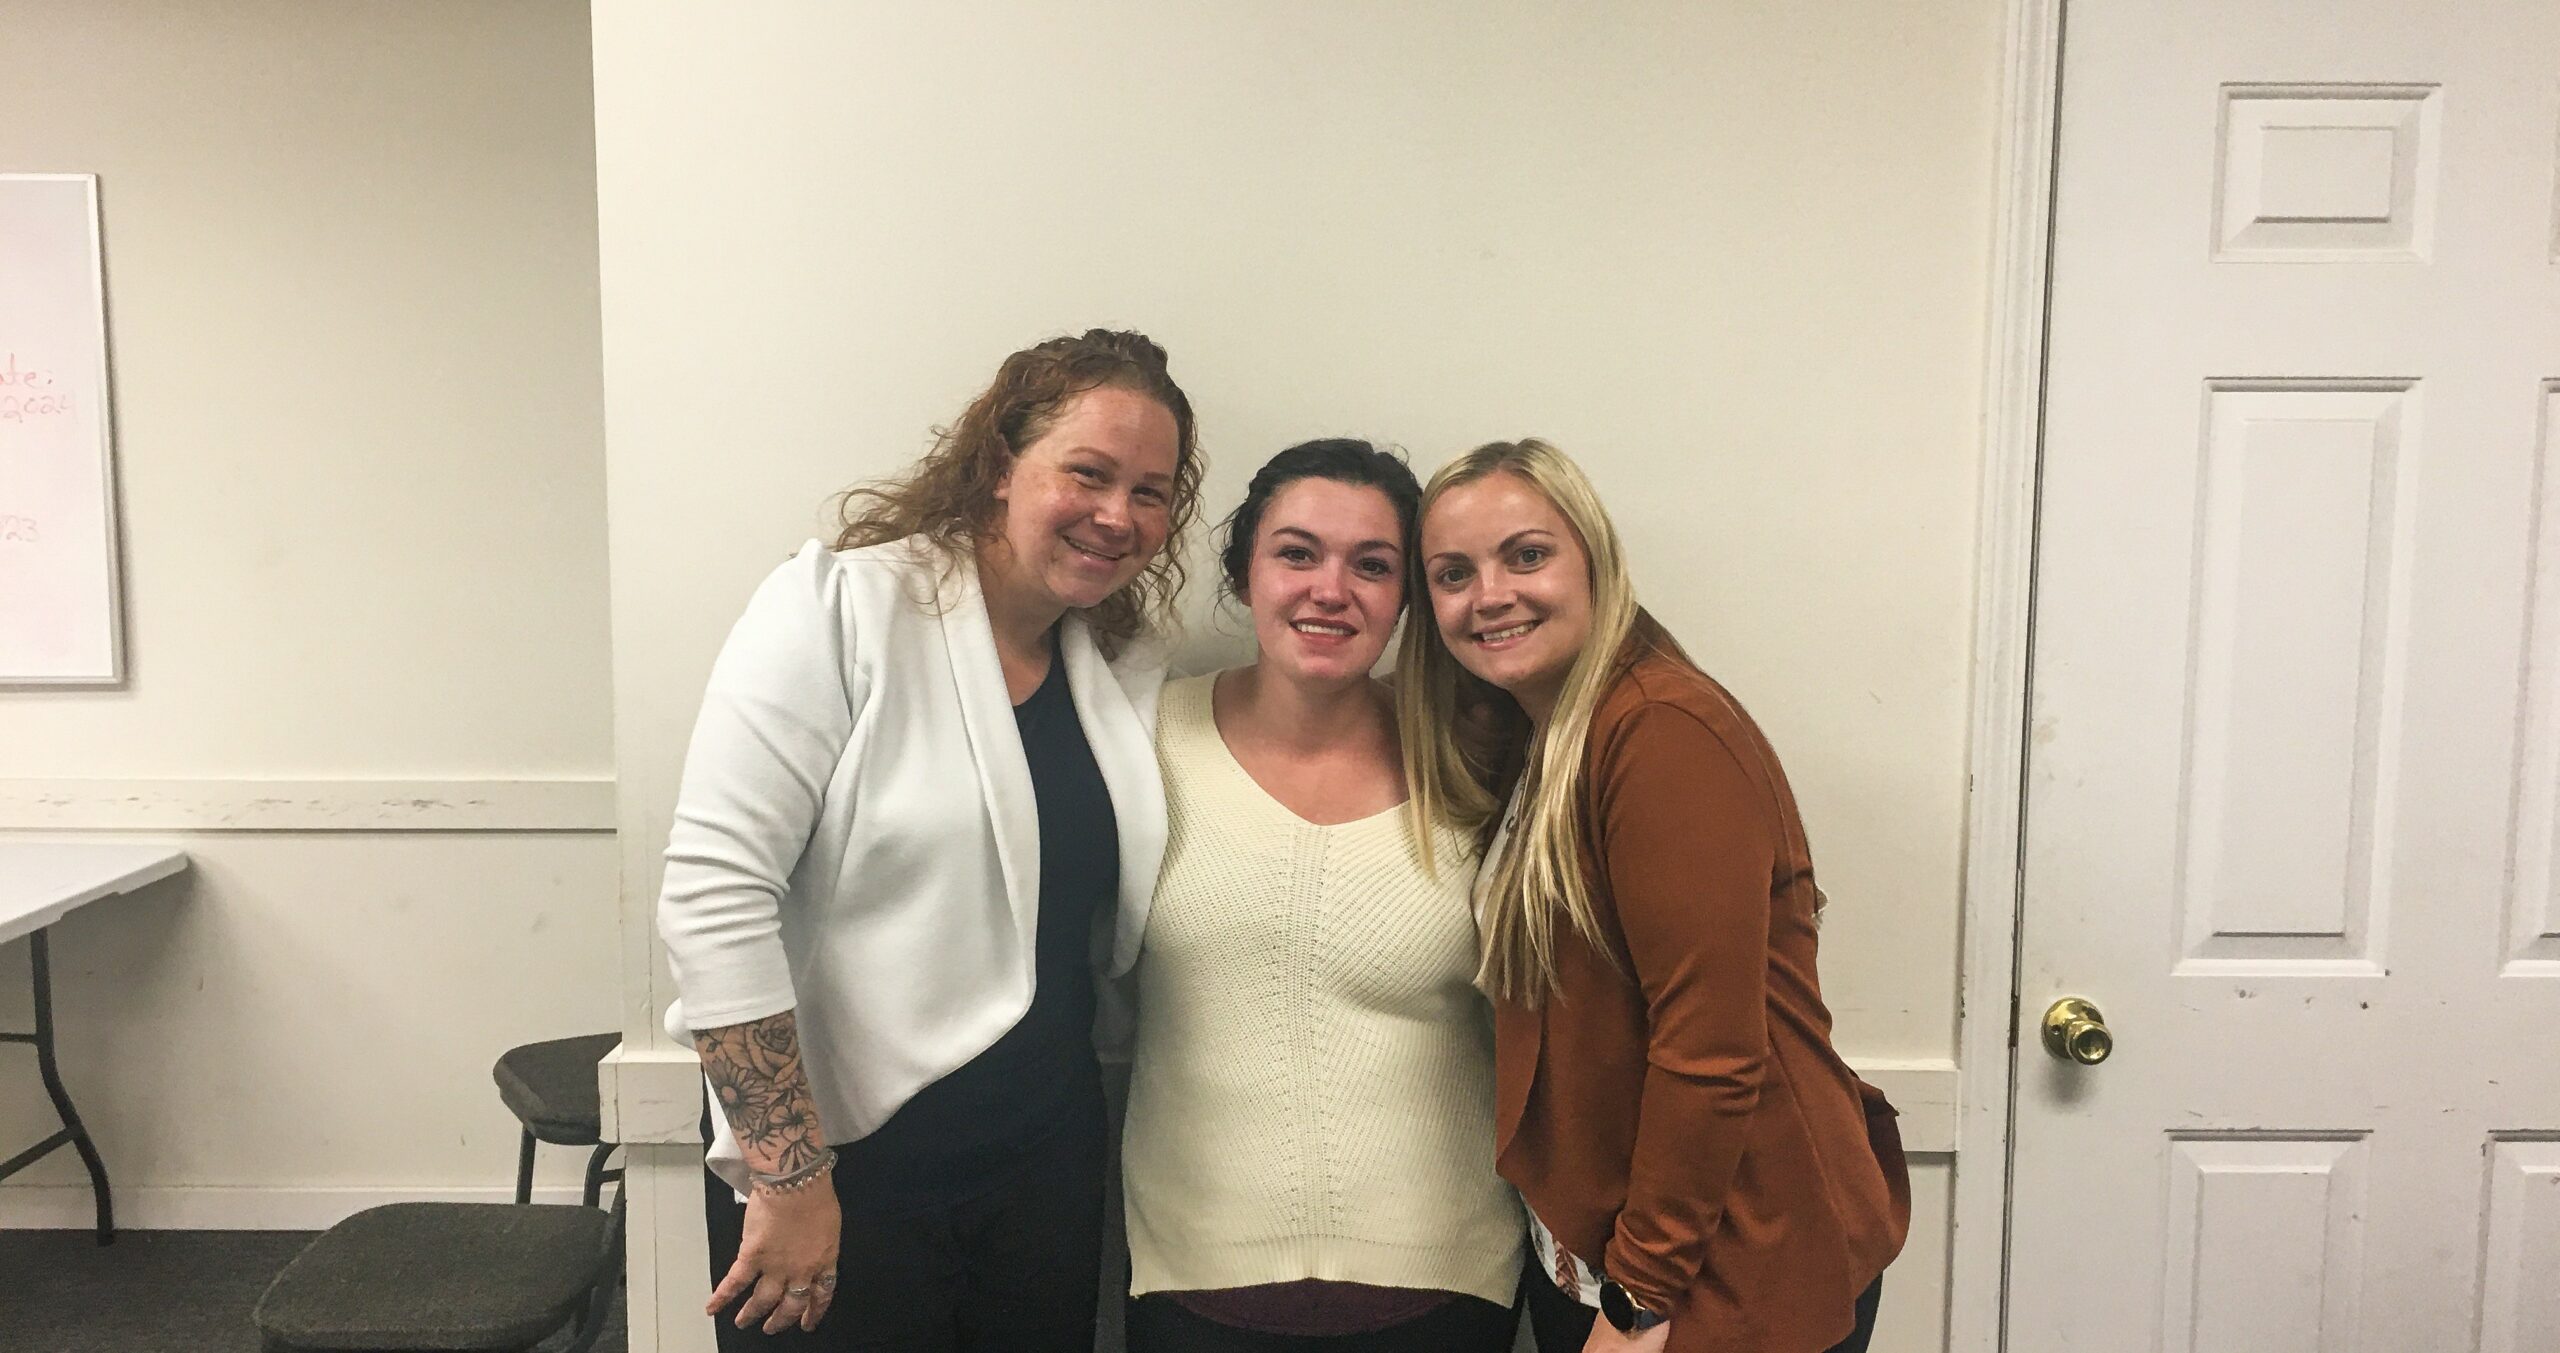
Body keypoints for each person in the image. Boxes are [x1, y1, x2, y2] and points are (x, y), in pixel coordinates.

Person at [654, 329, 1203, 1351]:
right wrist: (790, 1176)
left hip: (1042, 1161)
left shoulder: (1115, 662)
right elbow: (712, 895)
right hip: (845, 1161)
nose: (1117, 516)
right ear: (1000, 465)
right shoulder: (841, 610)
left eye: (1150, 492)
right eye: (1087, 473)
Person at [1400, 439, 1910, 1353]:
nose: (1491, 594)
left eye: (1526, 554)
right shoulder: (1555, 732)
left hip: (1718, 1275)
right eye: (1452, 573)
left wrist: (1638, 1296)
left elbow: (1709, 1050)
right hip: (1605, 1259)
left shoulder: (1658, 729)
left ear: (1592, 557)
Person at [1118, 439, 1525, 1353]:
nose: (1329, 590)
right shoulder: (1141, 739)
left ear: (1409, 597)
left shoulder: (1476, 758)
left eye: (1372, 565)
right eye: (1296, 553)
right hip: (1195, 1286)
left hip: (1443, 1292)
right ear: (1245, 570)